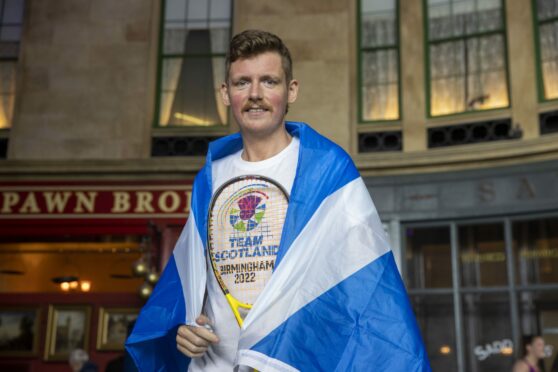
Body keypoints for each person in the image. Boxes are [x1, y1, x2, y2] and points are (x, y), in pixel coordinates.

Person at [126, 29, 429, 371]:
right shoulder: (209, 178)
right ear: (226, 93)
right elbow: (193, 283)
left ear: (291, 90)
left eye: (269, 81)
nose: (255, 94)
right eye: (242, 83)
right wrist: (183, 330)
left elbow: (364, 288)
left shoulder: (328, 170)